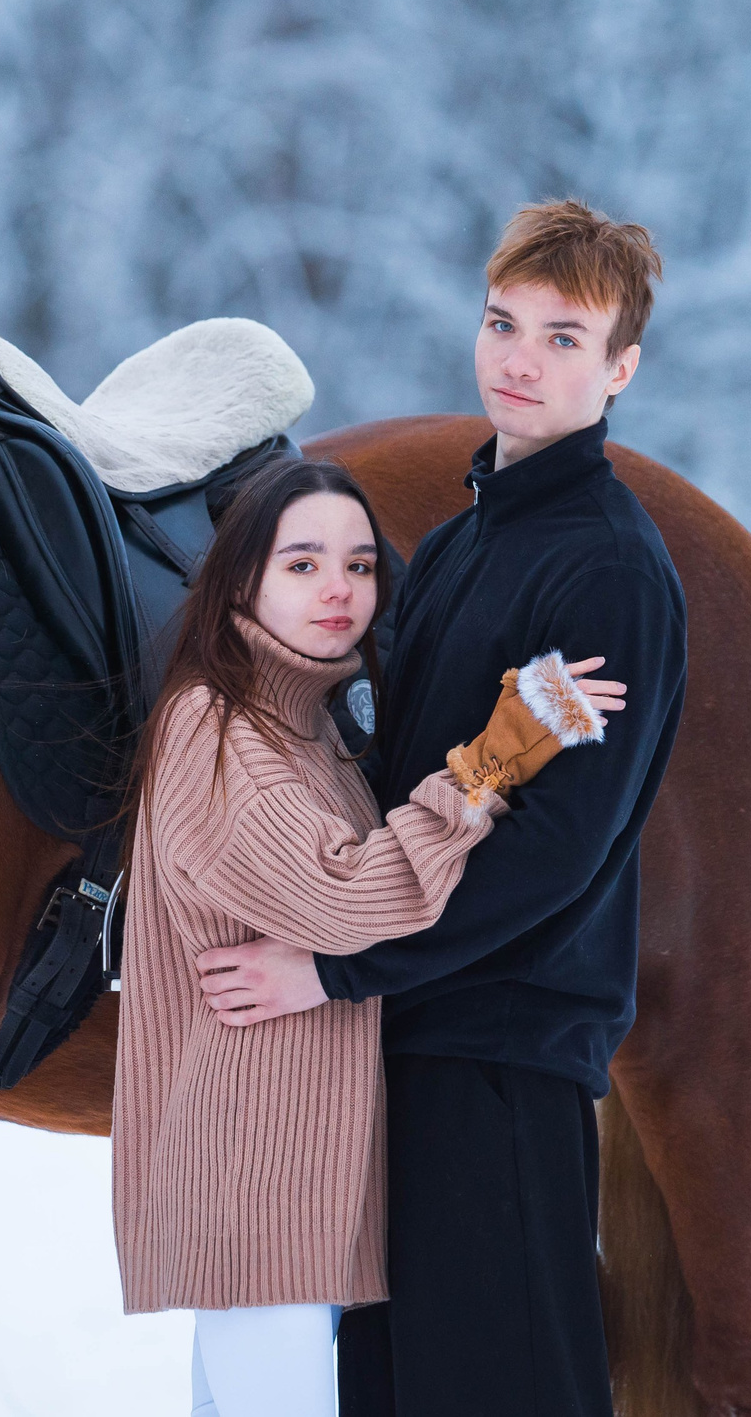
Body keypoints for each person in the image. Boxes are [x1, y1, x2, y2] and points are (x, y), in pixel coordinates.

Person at [194, 200, 688, 1417]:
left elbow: (553, 860)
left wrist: (332, 971)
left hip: (499, 1058)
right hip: (407, 1043)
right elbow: (393, 782)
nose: (520, 359)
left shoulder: (609, 569)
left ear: (620, 368)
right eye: (502, 322)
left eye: (564, 338)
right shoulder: (467, 542)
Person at [111, 453, 627, 1417]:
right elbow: (348, 896)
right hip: (256, 1186)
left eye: (358, 564)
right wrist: (496, 757)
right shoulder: (215, 727)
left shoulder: (305, 731)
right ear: (241, 580)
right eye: (302, 563)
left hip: (298, 1184)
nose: (339, 589)